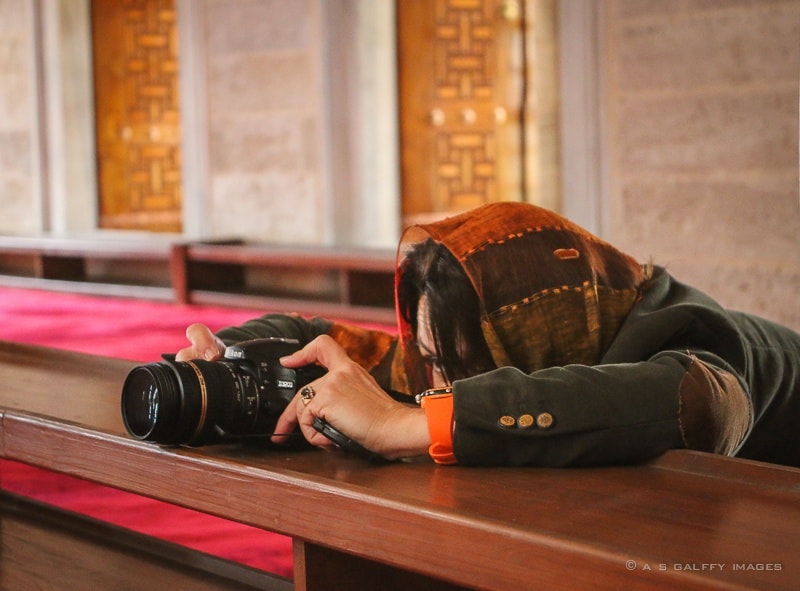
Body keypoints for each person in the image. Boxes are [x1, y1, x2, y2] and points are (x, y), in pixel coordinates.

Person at [176, 202, 800, 468]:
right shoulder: (464, 347)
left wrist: (406, 427)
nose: (435, 381)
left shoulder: (692, 335)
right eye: (430, 356)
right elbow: (309, 334)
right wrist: (227, 355)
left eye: (452, 362)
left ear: (530, 325)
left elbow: (699, 404)